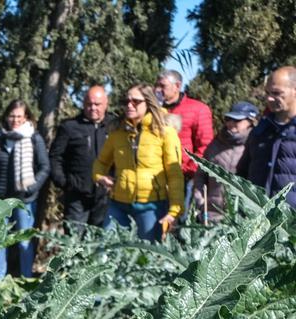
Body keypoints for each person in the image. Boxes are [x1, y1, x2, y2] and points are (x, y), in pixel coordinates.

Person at [92, 83, 185, 241]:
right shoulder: (117, 132)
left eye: (135, 101)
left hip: (151, 205)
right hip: (118, 203)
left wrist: (174, 211)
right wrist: (100, 177)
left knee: (148, 258)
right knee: (105, 252)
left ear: (148, 103)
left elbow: (174, 174)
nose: (129, 105)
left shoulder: (165, 132)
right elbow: (100, 162)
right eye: (126, 101)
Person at [0, 100, 50, 278]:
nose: (15, 119)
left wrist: (33, 186)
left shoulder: (34, 139)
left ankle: (26, 278)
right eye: (12, 115)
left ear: (26, 117)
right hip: (1, 199)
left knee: (24, 241)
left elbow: (45, 167)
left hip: (25, 200)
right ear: (6, 116)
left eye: (19, 116)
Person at [50, 86, 113, 231]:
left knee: (102, 244)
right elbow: (55, 157)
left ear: (106, 104)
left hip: (106, 198)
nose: (93, 108)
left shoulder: (114, 126)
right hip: (77, 197)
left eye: (97, 104)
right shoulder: (70, 127)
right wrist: (65, 183)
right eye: (89, 104)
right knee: (74, 243)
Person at [156, 70, 214, 215]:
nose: (158, 90)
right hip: (156, 176)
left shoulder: (198, 109)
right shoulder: (155, 110)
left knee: (179, 220)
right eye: (156, 85)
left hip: (184, 177)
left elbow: (205, 146)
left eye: (162, 86)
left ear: (177, 86)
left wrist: (188, 170)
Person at [238, 66, 296, 210]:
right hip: (257, 220)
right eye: (267, 92)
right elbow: (243, 172)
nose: (269, 98)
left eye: (276, 93)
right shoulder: (260, 131)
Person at [193, 102, 258, 221]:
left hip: (241, 218)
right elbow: (201, 174)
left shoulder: (256, 145)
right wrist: (200, 198)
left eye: (237, 120)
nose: (231, 123)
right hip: (211, 215)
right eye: (228, 119)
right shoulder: (215, 144)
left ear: (250, 121)